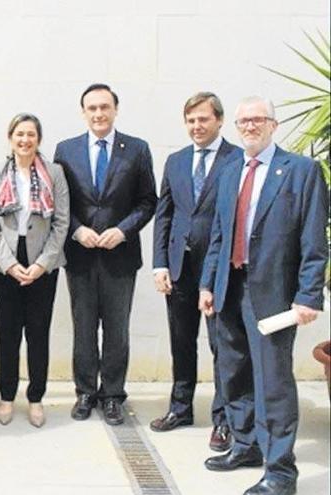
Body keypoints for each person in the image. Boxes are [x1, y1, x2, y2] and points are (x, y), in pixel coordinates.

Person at [199, 96, 327, 495]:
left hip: (272, 292)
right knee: (233, 372)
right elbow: (219, 234)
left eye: (257, 120)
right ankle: (246, 445)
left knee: (272, 380)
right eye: (243, 122)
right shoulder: (230, 170)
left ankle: (280, 471)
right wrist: (207, 283)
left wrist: (308, 295)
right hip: (228, 286)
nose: (250, 127)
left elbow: (313, 238)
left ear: (274, 124)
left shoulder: (300, 171)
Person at [53, 83, 157, 426]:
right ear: (83, 112)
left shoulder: (137, 149)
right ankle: (85, 392)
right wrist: (77, 229)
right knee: (83, 328)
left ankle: (113, 395)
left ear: (115, 109)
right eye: (92, 108)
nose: (98, 114)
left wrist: (123, 230)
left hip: (119, 256)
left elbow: (147, 201)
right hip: (81, 255)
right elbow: (60, 201)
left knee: (117, 329)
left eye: (104, 107)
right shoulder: (66, 150)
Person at [150, 93, 240, 451]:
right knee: (181, 342)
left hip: (218, 270)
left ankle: (224, 419)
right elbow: (165, 214)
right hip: (179, 267)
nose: (196, 126)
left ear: (218, 120)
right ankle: (180, 407)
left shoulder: (236, 160)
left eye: (203, 119)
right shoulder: (175, 161)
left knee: (222, 346)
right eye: (190, 120)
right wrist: (160, 263)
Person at [0, 113, 70, 427]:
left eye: (31, 134)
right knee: (8, 334)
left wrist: (41, 265)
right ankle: (7, 396)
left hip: (42, 263)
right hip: (6, 261)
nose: (25, 140)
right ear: (11, 138)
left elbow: (61, 222)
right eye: (19, 134)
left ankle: (36, 398)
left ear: (39, 139)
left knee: (38, 333)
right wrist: (7, 264)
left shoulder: (55, 173)